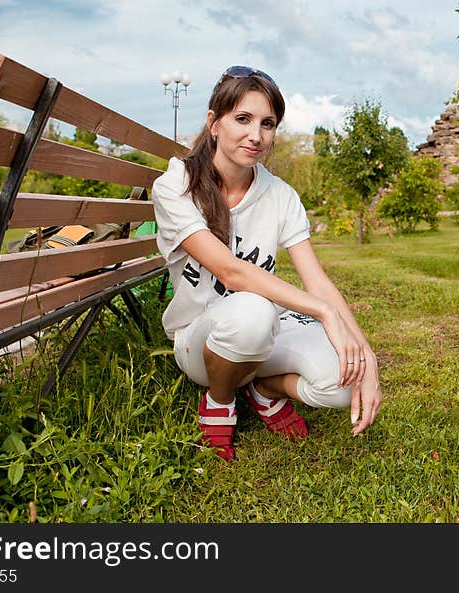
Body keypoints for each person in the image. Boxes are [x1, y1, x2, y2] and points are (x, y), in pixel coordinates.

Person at [151, 65, 383, 461]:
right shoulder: (176, 185)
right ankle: (221, 399)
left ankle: (265, 388)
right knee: (252, 312)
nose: (256, 135)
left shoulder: (281, 195)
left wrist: (367, 354)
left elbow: (318, 281)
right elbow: (230, 271)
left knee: (345, 383)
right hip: (201, 343)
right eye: (242, 119)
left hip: (265, 335)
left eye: (268, 123)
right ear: (214, 123)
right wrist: (324, 313)